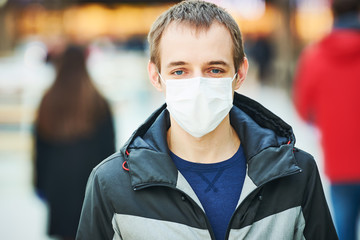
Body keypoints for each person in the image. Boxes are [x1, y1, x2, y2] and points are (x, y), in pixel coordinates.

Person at [77, 1, 337, 239]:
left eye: (215, 69)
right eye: (179, 71)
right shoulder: (111, 184)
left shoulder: (296, 173)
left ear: (240, 73)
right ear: (156, 77)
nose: (198, 85)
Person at [293, 0, 360, 239]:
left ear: (331, 13)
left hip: (339, 159)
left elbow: (302, 108)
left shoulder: (315, 56)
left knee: (343, 226)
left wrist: (326, 123)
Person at [34, 45, 116, 240]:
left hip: (58, 182)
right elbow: (109, 149)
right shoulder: (98, 101)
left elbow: (40, 148)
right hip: (89, 183)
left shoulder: (48, 100)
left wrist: (40, 185)